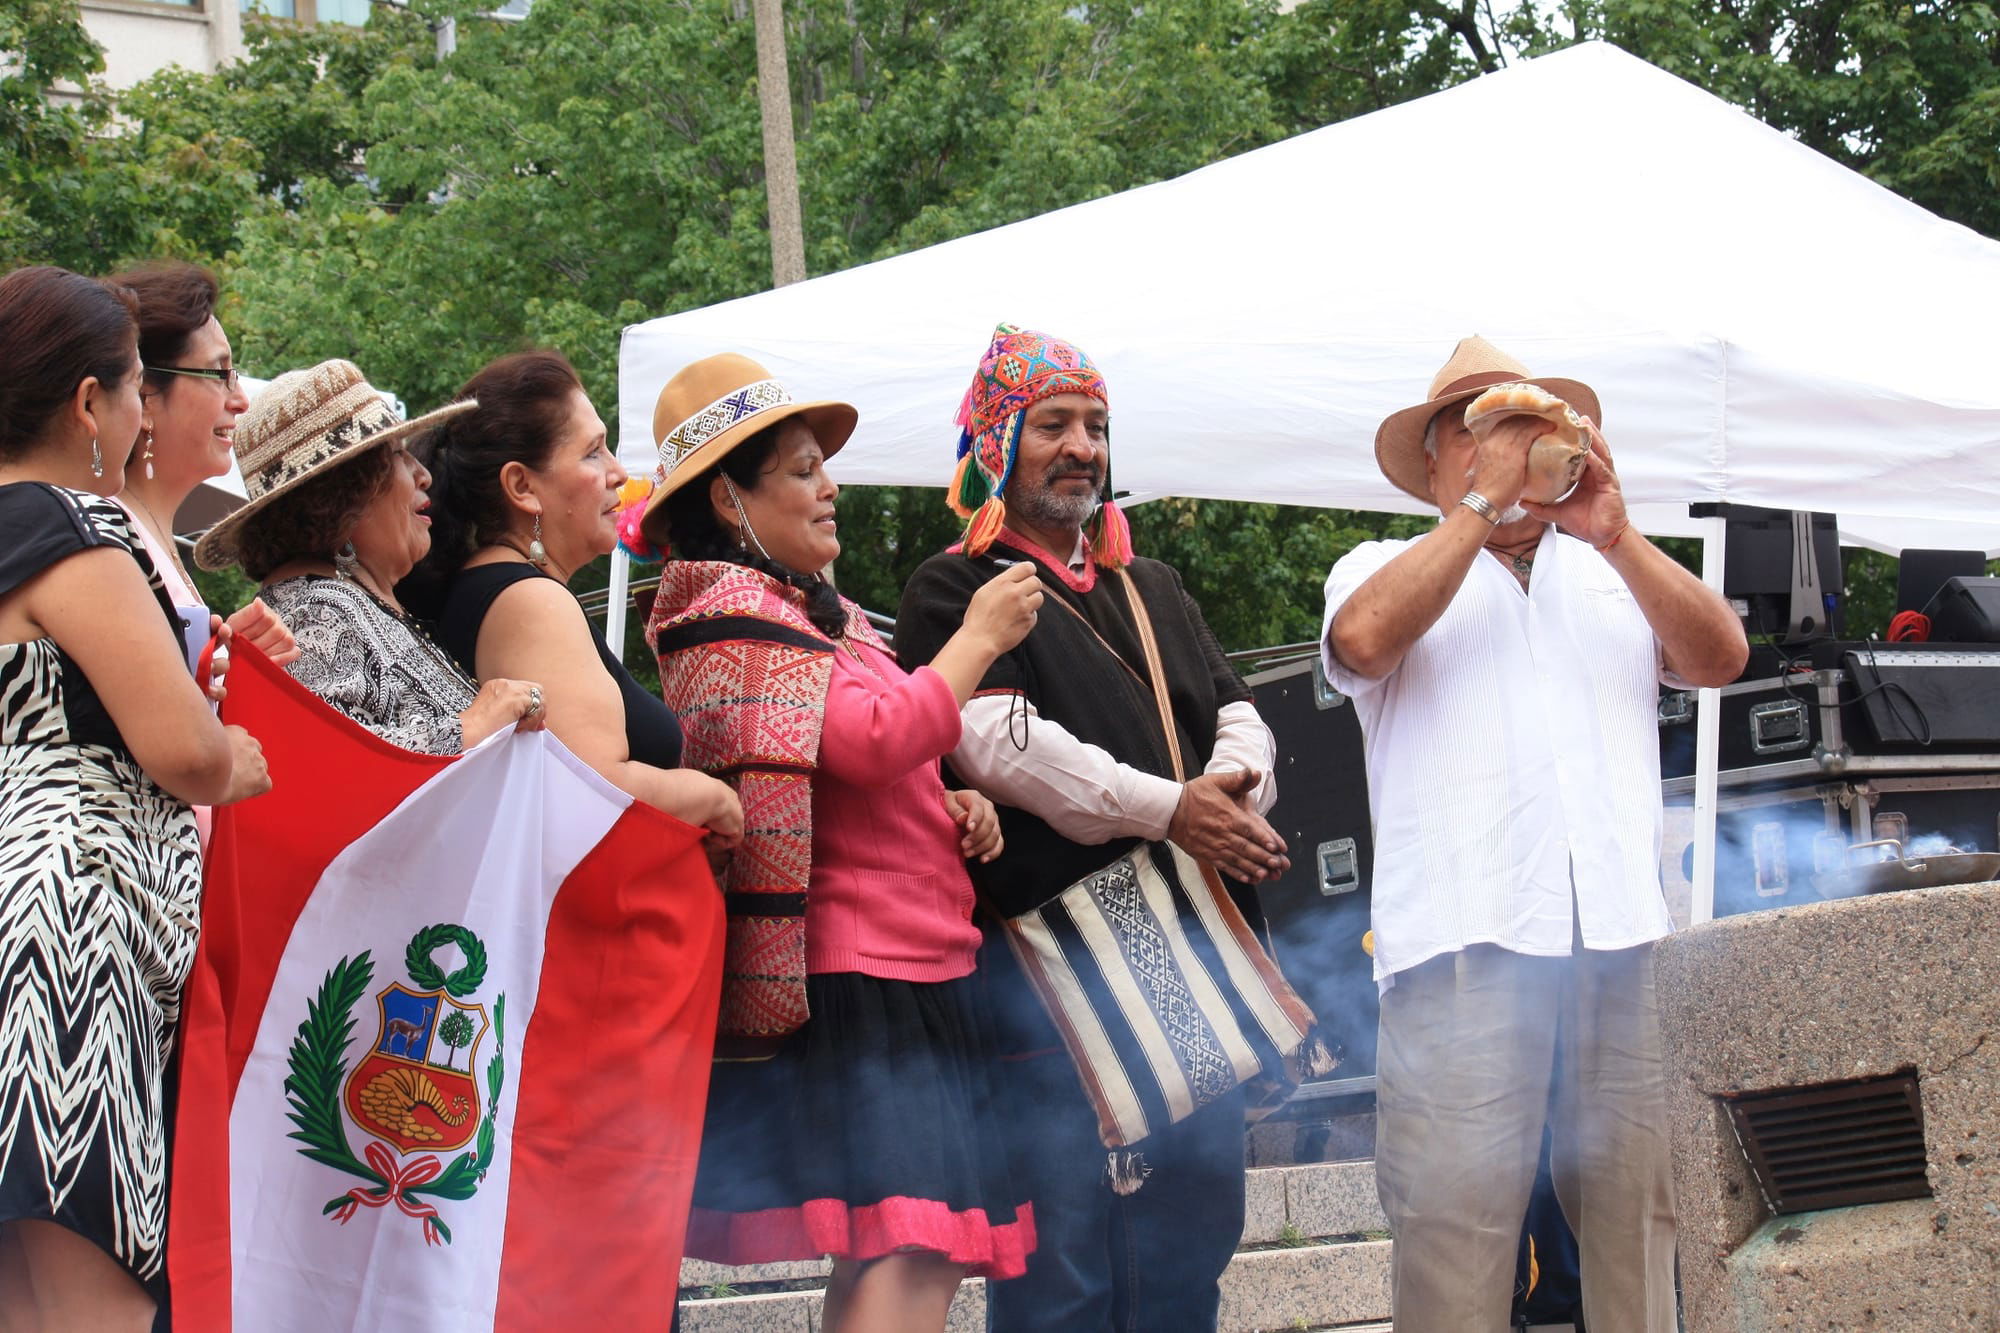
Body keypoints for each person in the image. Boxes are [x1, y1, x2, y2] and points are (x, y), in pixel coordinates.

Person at [1320, 335, 1748, 1331]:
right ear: (1436, 460)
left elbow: (1721, 655)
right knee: (1452, 1244)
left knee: (1638, 1232)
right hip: (1461, 950)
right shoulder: (1378, 562)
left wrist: (1615, 531)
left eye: (1527, 429)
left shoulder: (1607, 571)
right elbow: (1361, 641)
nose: (1511, 450)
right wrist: (1479, 510)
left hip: (1619, 944)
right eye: (1483, 433)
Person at [894, 323, 1291, 1333]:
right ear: (995, 441)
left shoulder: (1146, 584)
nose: (1082, 446)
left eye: (1096, 427)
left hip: (1190, 965)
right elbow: (998, 745)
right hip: (1054, 992)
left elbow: (1235, 704)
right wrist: (1175, 809)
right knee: (1066, 1275)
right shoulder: (953, 588)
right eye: (1054, 424)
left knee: (1190, 1249)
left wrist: (1230, 785)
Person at [642, 353, 1043, 1333]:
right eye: (799, 468)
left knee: (901, 1248)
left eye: (823, 464)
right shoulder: (723, 615)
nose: (830, 487)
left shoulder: (821, 617)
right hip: (862, 973)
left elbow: (891, 754)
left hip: (914, 962)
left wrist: (955, 806)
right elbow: (877, 738)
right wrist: (979, 634)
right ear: (730, 501)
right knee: (917, 1245)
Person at [0, 265, 269, 1330]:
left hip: (19, 914)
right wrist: (238, 751)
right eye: (127, 394)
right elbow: (187, 754)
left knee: (28, 1289)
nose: (134, 420)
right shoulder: (76, 526)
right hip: (76, 933)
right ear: (86, 404)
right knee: (100, 1293)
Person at [404, 349, 742, 845]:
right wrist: (713, 799)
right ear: (523, 486)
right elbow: (597, 789)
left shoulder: (500, 589)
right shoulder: (530, 602)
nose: (619, 473)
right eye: (592, 452)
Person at [192, 358, 544, 754]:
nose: (422, 473)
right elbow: (332, 765)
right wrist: (475, 725)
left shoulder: (349, 601)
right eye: (397, 455)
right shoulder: (312, 614)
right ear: (346, 494)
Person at [109, 260, 297, 848]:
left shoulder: (148, 540)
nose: (240, 400)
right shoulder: (108, 539)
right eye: (219, 374)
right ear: (145, 392)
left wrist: (220, 666)